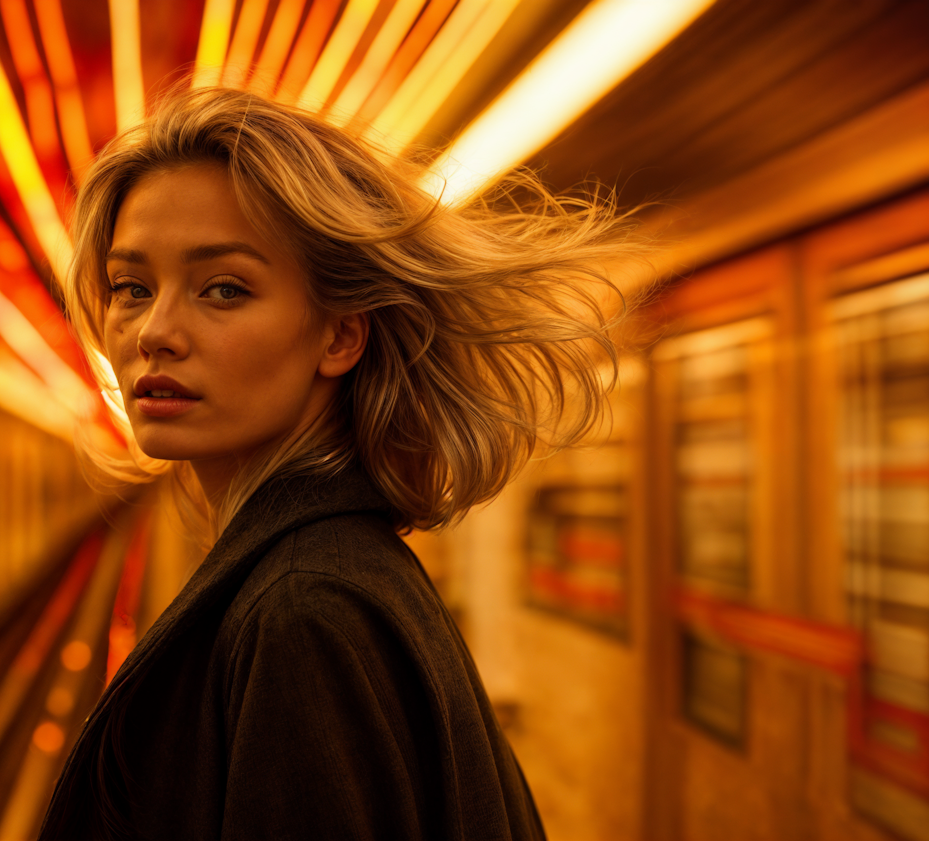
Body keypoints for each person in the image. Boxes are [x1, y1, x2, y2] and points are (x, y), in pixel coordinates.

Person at [40, 87, 634, 840]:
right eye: (132, 287)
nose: (153, 331)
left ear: (340, 337)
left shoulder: (304, 611)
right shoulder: (333, 569)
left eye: (223, 289)